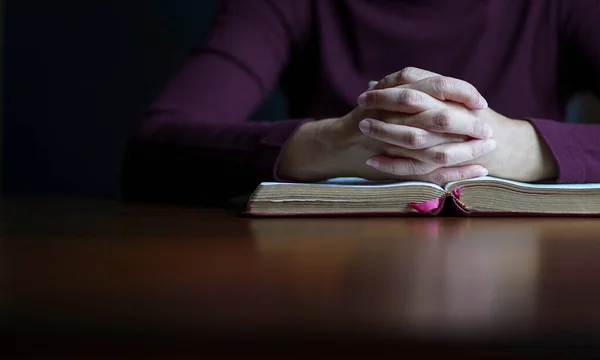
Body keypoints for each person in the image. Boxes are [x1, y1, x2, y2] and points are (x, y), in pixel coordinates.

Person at [121, 0, 600, 203]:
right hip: (323, 280)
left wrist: (516, 146)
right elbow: (153, 147)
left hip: (528, 285)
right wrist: (334, 143)